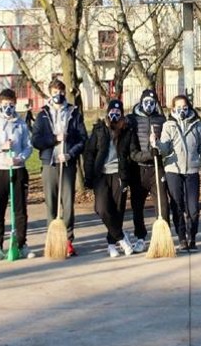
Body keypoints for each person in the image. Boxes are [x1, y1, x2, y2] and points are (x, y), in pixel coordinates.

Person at [32, 80, 87, 257]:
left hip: (67, 164)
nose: (58, 95)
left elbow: (82, 139)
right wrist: (54, 139)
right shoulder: (42, 115)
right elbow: (36, 141)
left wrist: (70, 153)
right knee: (51, 203)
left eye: (61, 91)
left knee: (68, 204)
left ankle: (68, 240)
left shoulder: (73, 112)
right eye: (55, 91)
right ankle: (53, 240)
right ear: (50, 93)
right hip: (50, 163)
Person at [0, 90, 34, 260]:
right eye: (5, 105)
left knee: (20, 209)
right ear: (0, 105)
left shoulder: (22, 124)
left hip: (17, 169)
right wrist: (1, 147)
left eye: (11, 105)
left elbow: (28, 146)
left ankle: (21, 244)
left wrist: (20, 158)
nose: (8, 108)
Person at [157, 95, 201, 252]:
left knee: (193, 209)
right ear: (173, 109)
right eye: (178, 108)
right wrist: (157, 144)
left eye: (185, 107)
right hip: (173, 170)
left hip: (192, 170)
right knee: (177, 206)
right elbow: (165, 150)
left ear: (189, 108)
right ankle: (182, 238)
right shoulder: (168, 125)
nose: (182, 111)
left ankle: (192, 236)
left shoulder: (197, 124)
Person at [84, 100, 137, 257]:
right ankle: (121, 237)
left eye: (118, 112)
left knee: (117, 210)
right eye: (112, 112)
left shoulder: (127, 130)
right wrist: (88, 177)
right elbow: (89, 153)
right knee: (101, 209)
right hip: (101, 175)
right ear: (107, 113)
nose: (114, 115)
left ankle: (111, 244)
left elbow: (132, 153)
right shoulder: (99, 129)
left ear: (122, 114)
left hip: (119, 174)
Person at [126, 88, 168, 253]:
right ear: (141, 102)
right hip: (139, 170)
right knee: (137, 206)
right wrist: (147, 154)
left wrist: (159, 147)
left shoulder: (161, 119)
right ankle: (140, 237)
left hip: (157, 168)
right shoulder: (133, 120)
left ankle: (162, 237)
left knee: (163, 204)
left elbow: (167, 143)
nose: (149, 105)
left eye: (152, 103)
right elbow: (132, 150)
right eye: (146, 102)